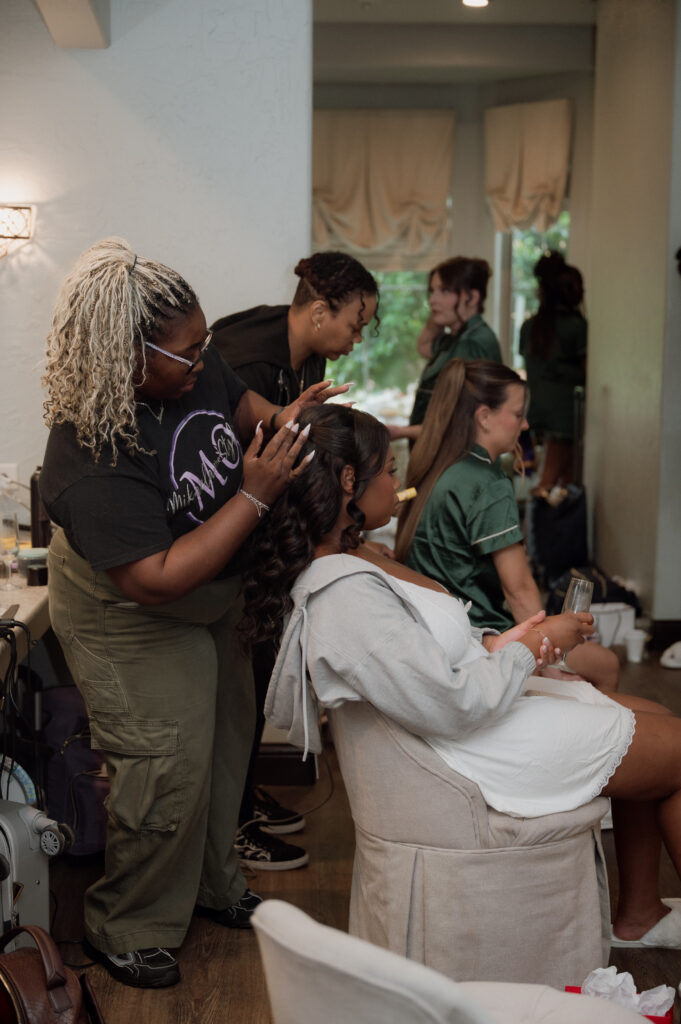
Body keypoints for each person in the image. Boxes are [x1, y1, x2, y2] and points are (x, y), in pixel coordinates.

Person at [241, 402, 681, 952]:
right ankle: (639, 913)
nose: (399, 483)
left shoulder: (359, 556)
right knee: (675, 748)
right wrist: (529, 652)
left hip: (479, 713)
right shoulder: (344, 596)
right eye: (391, 470)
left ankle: (639, 914)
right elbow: (450, 704)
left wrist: (500, 645)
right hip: (472, 747)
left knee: (656, 716)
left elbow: (427, 656)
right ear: (349, 480)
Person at [39, 238, 347, 989]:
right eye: (187, 352)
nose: (204, 359)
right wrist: (254, 495)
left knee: (226, 742)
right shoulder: (89, 452)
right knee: (165, 763)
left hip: (214, 584)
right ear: (127, 355)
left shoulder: (192, 359)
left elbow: (238, 404)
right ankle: (129, 922)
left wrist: (284, 418)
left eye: (204, 342)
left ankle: (212, 884)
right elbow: (156, 579)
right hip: (132, 611)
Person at [210, 251, 379, 870]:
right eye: (355, 324)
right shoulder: (247, 358)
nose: (356, 339)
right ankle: (229, 826)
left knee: (254, 677)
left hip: (261, 536)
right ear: (319, 311)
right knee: (240, 686)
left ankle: (240, 798)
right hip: (223, 539)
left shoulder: (306, 357)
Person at [394, 359, 619, 692]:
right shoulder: (488, 482)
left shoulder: (436, 465)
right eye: (517, 414)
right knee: (607, 664)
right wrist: (548, 656)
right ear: (484, 417)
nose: (525, 425)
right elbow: (520, 589)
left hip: (435, 631)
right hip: (481, 635)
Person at [391, 257, 501, 443]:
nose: (432, 300)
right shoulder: (457, 337)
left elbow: (462, 422)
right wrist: (439, 313)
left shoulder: (473, 343)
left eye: (444, 291)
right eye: (432, 291)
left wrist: (402, 432)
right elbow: (423, 346)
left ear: (472, 297)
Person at [519, 250, 587, 493]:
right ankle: (532, 520)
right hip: (565, 418)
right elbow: (588, 374)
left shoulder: (530, 327)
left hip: (537, 412)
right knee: (547, 486)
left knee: (560, 485)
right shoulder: (576, 327)